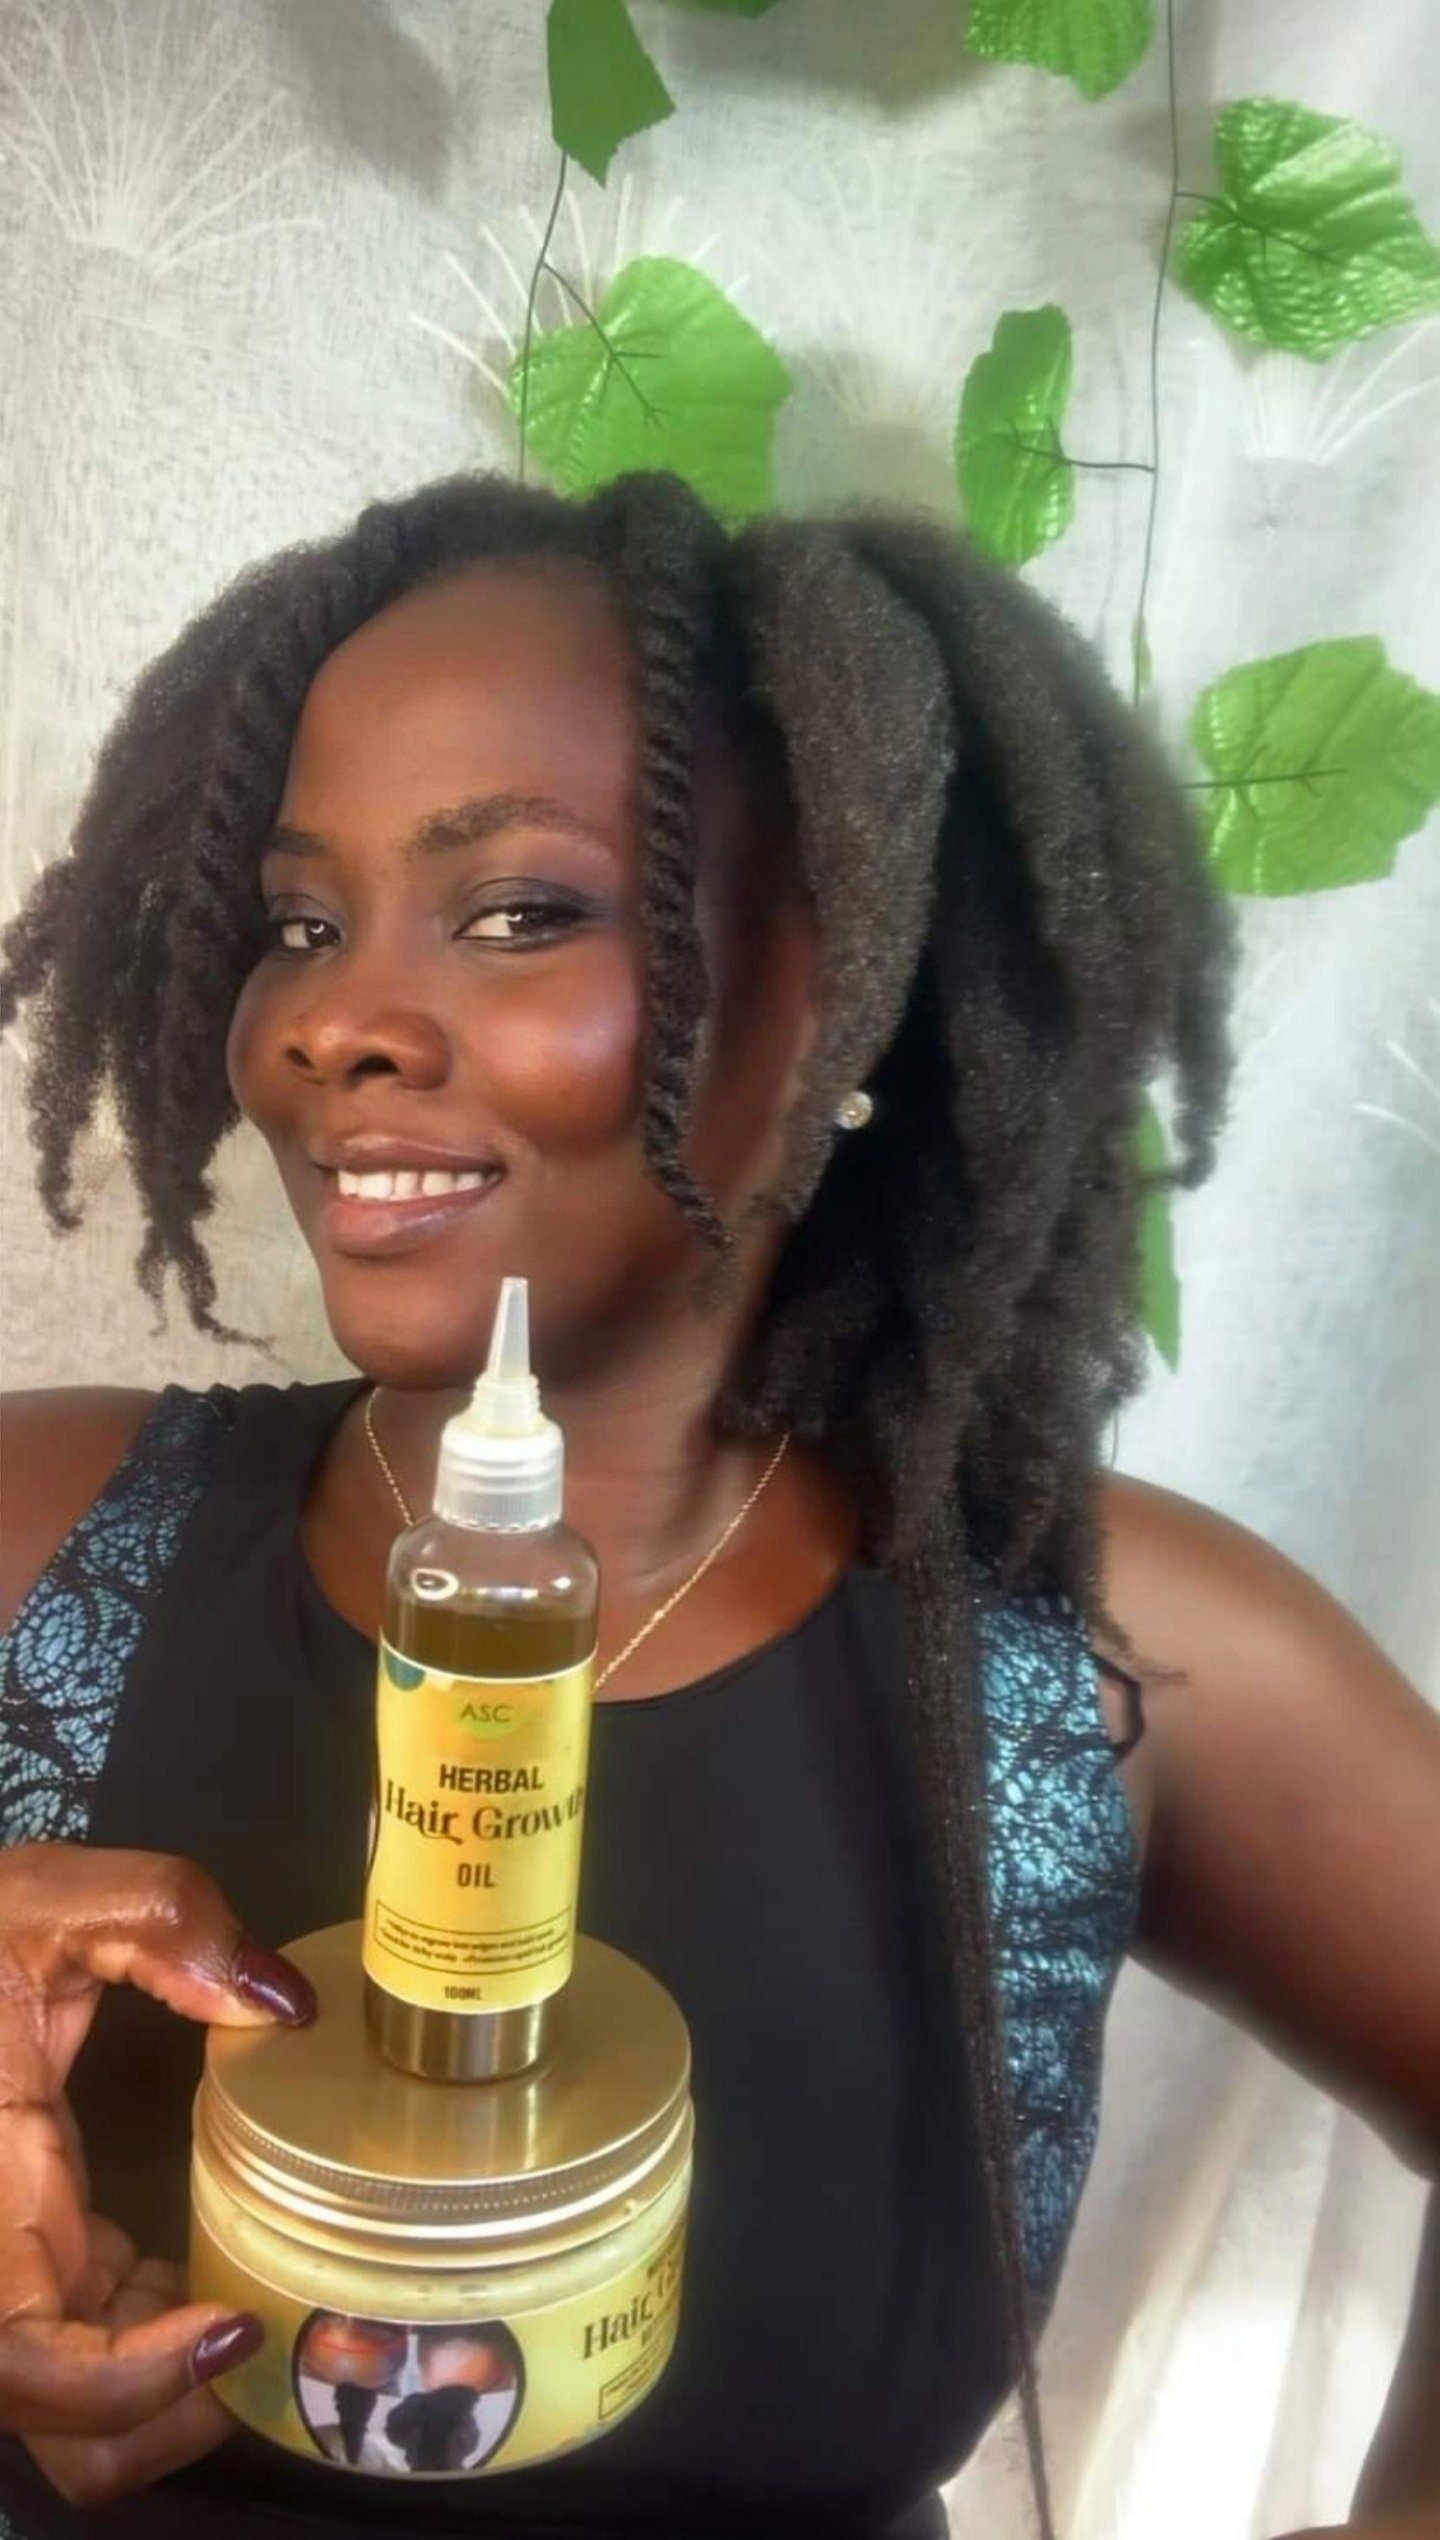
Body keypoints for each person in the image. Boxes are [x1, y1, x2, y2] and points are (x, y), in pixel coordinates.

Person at [0, 472, 1434, 2540]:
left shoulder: (1113, 1663)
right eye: (302, 924)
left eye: (519, 911)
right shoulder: (44, 1530)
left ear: (832, 990)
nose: (325, 1022)